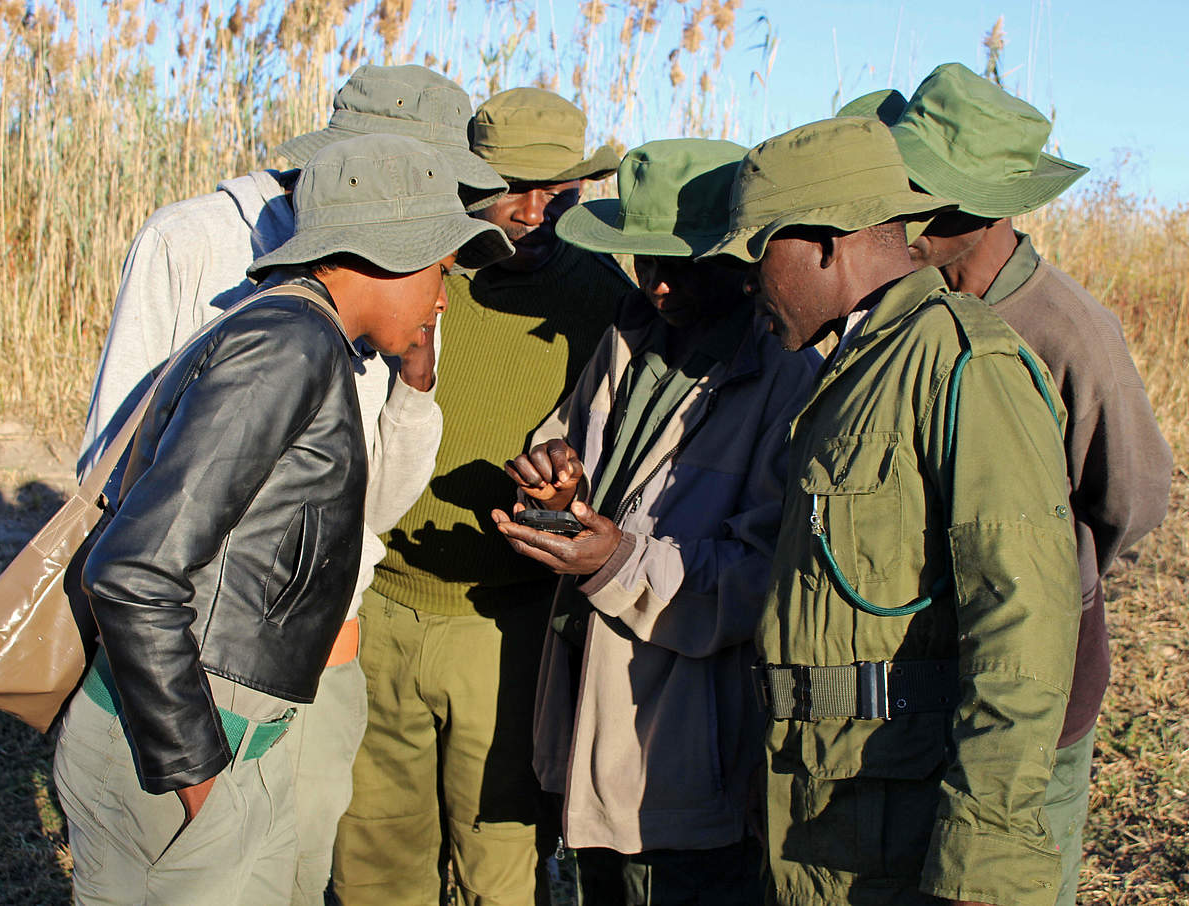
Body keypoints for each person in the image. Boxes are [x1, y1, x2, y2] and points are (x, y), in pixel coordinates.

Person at [74, 64, 507, 906]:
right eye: (442, 269)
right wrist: (203, 774)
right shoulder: (287, 343)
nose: (447, 299)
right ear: (390, 248)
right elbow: (131, 570)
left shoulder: (308, 331)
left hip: (255, 699)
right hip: (204, 716)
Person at [699, 116, 1082, 906]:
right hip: (822, 818)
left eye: (756, 253)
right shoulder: (848, 373)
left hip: (903, 838)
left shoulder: (963, 365)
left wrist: (986, 861)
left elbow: (1024, 623)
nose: (748, 284)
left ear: (827, 244)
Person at [490, 138, 820, 905]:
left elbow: (763, 576)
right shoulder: (629, 337)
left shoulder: (786, 376)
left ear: (738, 262)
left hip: (680, 754)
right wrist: (553, 483)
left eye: (678, 265)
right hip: (587, 718)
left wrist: (615, 562)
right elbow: (564, 448)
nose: (657, 284)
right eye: (641, 260)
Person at [881, 62, 1172, 905]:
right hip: (925, 670)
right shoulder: (913, 307)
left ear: (981, 206)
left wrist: (1056, 575)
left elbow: (1132, 494)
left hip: (1039, 678)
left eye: (923, 193)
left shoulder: (1066, 327)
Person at [332, 87, 629, 906]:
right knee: (375, 870)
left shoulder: (605, 298)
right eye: (512, 187)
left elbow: (629, 468)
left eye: (560, 191)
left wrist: (572, 491)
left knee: (498, 873)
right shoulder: (415, 276)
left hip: (511, 633)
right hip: (381, 610)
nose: (536, 210)